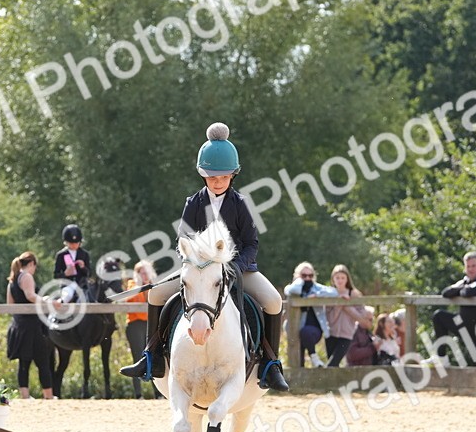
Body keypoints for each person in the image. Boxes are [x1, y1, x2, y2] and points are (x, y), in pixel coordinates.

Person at [120, 122, 289, 391]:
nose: (218, 182)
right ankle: (151, 356)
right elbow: (183, 239)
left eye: (223, 177)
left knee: (273, 300)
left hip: (239, 269)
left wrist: (234, 267)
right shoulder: (194, 203)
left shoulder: (241, 204)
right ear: (203, 175)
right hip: (199, 270)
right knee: (155, 295)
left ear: (233, 175)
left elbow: (251, 244)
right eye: (212, 177)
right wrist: (194, 260)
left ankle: (271, 363)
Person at [431, 251, 476, 367]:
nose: (470, 269)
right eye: (468, 266)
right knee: (439, 316)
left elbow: (468, 292)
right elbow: (446, 292)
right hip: (463, 325)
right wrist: (462, 288)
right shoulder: (465, 281)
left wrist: (460, 290)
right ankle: (442, 359)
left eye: (473, 266)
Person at [6, 251, 58, 400]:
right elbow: (31, 296)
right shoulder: (26, 276)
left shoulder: (12, 280)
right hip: (32, 325)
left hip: (19, 324)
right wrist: (48, 302)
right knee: (43, 360)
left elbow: (10, 304)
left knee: (24, 362)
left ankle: (25, 395)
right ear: (31, 264)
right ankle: (48, 395)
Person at [283, 262, 337, 367]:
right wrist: (299, 282)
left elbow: (334, 292)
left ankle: (314, 357)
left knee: (306, 332)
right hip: (295, 330)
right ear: (298, 276)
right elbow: (291, 290)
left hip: (313, 329)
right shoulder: (294, 288)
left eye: (310, 275)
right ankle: (300, 381)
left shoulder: (317, 288)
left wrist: (317, 295)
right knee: (298, 363)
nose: (307, 278)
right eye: (304, 275)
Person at [123, 260, 161, 400]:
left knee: (153, 356)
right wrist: (141, 285)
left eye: (147, 272)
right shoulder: (132, 285)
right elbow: (132, 299)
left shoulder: (154, 285)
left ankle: (157, 392)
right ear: (137, 274)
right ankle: (138, 394)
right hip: (135, 325)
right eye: (142, 273)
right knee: (137, 357)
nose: (145, 275)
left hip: (149, 324)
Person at [322, 264, 371, 367]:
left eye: (343, 278)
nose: (340, 280)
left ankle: (319, 380)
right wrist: (338, 305)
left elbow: (361, 317)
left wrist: (347, 306)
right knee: (334, 366)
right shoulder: (329, 294)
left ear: (347, 279)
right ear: (333, 279)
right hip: (331, 334)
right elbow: (329, 319)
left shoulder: (355, 294)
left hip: (347, 335)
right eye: (337, 278)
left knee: (331, 364)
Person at [53, 224, 92, 301]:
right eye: (71, 243)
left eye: (76, 243)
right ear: (66, 242)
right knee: (67, 296)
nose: (74, 245)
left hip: (81, 285)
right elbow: (56, 275)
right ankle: (56, 312)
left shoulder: (84, 254)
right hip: (67, 285)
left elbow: (89, 274)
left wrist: (83, 267)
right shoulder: (61, 255)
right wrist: (65, 274)